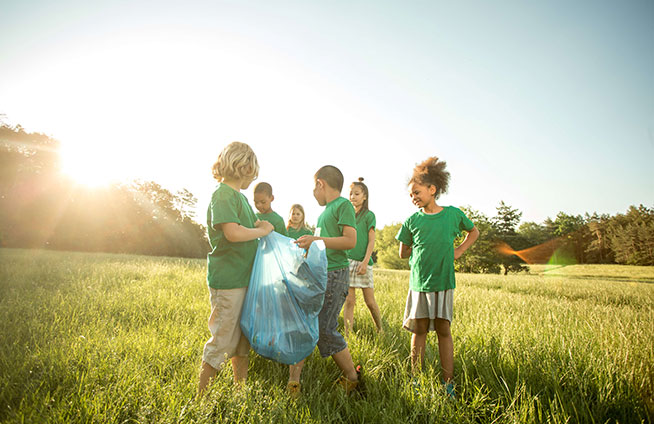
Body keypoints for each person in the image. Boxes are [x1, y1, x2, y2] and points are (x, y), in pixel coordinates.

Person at [396, 156, 479, 399]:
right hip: (420, 283)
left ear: (432, 189)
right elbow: (403, 252)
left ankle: (448, 383)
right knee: (418, 330)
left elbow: (473, 231)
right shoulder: (412, 220)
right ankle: (416, 380)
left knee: (444, 330)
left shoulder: (453, 215)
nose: (413, 197)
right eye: (411, 194)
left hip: (443, 282)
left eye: (417, 192)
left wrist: (459, 250)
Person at [197, 142, 274, 396]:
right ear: (241, 167)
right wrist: (260, 231)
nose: (252, 178)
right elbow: (232, 232)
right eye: (251, 172)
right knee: (223, 339)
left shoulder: (240, 198)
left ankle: (239, 390)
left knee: (241, 341)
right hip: (228, 280)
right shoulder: (222, 195)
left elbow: (248, 226)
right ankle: (202, 399)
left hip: (244, 279)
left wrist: (260, 226)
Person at [287, 165, 362, 398]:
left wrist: (316, 239)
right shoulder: (325, 211)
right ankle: (293, 383)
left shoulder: (342, 205)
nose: (313, 191)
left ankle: (352, 377)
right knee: (304, 324)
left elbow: (350, 241)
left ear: (320, 183)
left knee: (324, 329)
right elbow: (322, 246)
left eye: (314, 186)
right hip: (320, 274)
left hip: (335, 275)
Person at [343, 178, 383, 335]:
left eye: (357, 193)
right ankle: (348, 335)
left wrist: (365, 262)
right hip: (347, 261)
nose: (353, 196)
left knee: (370, 302)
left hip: (363, 261)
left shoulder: (369, 215)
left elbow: (371, 240)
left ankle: (380, 329)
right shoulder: (346, 214)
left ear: (364, 196)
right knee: (349, 301)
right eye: (351, 193)